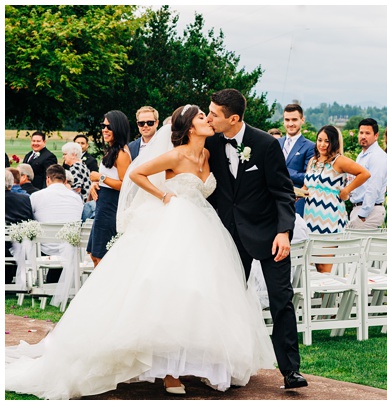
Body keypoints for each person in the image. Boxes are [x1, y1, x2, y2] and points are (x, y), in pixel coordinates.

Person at [5, 105, 276, 399]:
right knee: (167, 291)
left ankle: (211, 366)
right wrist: (164, 194)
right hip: (174, 223)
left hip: (205, 226)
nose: (208, 120)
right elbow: (137, 173)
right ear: (188, 127)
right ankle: (169, 370)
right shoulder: (175, 154)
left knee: (203, 294)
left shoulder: (208, 154)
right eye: (201, 117)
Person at [203, 88, 306, 390]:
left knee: (281, 300)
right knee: (227, 300)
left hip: (270, 235)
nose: (209, 117)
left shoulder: (265, 144)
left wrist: (284, 232)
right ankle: (228, 366)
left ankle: (291, 371)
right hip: (230, 237)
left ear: (233, 118)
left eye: (214, 114)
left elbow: (284, 192)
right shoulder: (210, 142)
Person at [302, 126, 370, 272]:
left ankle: (327, 294)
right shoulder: (313, 161)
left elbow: (364, 173)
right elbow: (307, 186)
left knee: (324, 264)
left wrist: (346, 190)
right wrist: (298, 194)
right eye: (319, 140)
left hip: (329, 218)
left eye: (327, 141)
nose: (322, 144)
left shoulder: (339, 161)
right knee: (313, 263)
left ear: (334, 142)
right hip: (310, 216)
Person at [85, 111, 132, 265]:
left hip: (111, 206)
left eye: (109, 126)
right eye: (103, 126)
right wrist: (96, 184)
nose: (104, 129)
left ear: (118, 128)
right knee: (94, 254)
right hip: (102, 204)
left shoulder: (122, 153)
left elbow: (125, 184)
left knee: (101, 256)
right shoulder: (111, 151)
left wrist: (100, 177)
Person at [347, 118, 387, 229]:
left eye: (367, 133)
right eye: (361, 133)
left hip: (369, 211)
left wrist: (362, 214)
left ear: (376, 136)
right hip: (358, 208)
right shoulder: (362, 155)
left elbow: (374, 187)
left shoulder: (377, 156)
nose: (363, 136)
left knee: (360, 245)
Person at [280, 103, 316, 215]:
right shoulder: (276, 143)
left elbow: (309, 177)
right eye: (287, 120)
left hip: (296, 201)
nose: (290, 124)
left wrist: (283, 171)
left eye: (294, 120)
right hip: (273, 200)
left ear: (302, 120)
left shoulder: (310, 147)